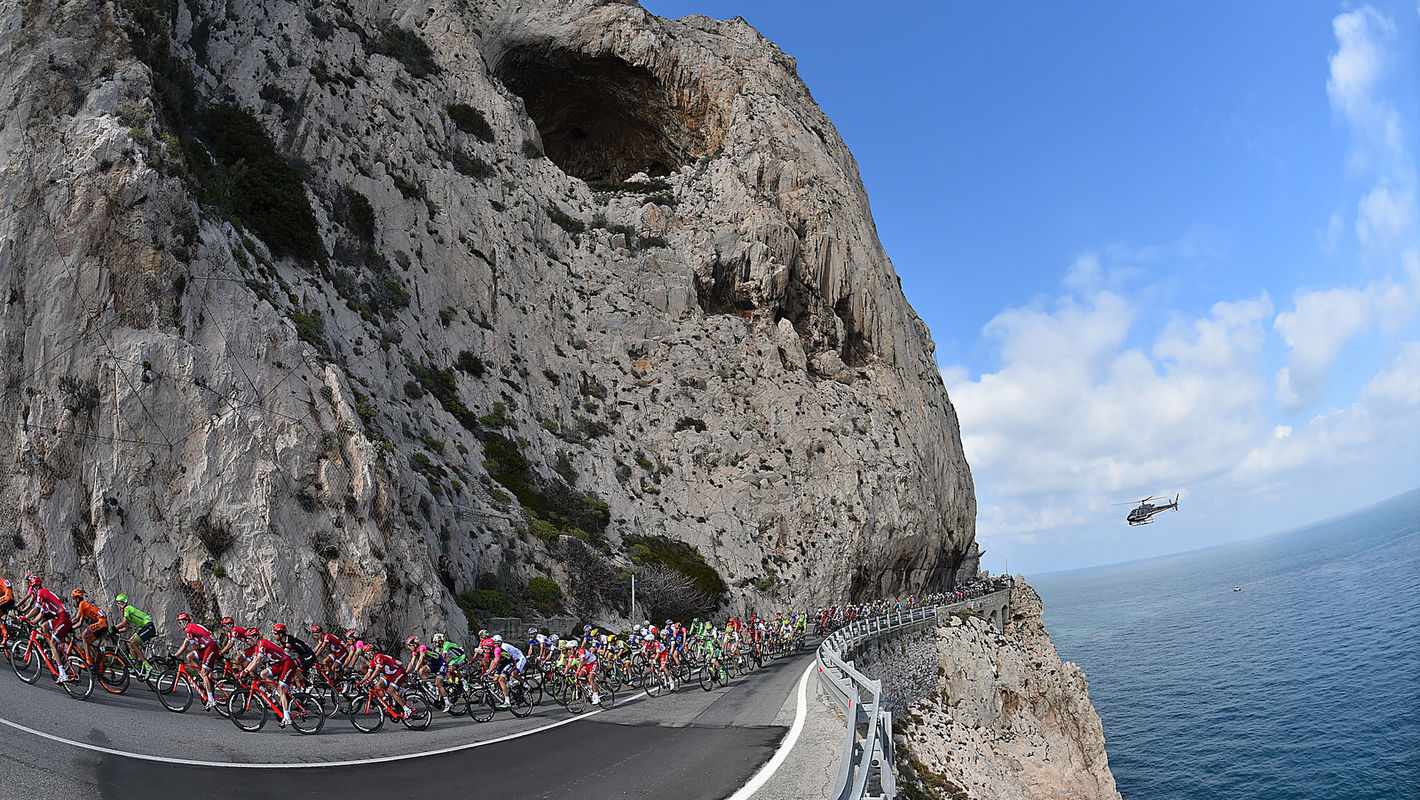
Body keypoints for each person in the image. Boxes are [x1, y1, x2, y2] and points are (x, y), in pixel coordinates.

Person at [238, 627, 297, 728]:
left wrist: (246, 671)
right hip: (280, 664)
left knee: (281, 688)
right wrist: (244, 671)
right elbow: (254, 661)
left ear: (255, 637)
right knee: (263, 674)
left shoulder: (263, 643)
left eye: (249, 639)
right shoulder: (257, 647)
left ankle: (287, 718)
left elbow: (258, 661)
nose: (247, 641)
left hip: (287, 663)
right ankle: (277, 691)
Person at [23, 576, 74, 682]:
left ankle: (62, 674)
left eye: (32, 588)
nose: (32, 591)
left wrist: (24, 617)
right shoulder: (45, 597)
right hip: (60, 617)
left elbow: (35, 609)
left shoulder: (41, 592)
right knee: (44, 626)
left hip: (63, 618)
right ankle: (54, 648)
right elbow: (41, 614)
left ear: (35, 587)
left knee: (53, 643)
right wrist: (31, 622)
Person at [171, 612, 220, 710]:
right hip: (206, 647)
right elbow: (184, 646)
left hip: (211, 647)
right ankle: (203, 675)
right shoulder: (190, 628)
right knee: (189, 657)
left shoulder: (189, 630)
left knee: (204, 672)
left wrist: (195, 644)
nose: (179, 625)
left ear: (184, 622)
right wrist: (175, 655)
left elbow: (195, 647)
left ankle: (211, 700)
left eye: (180, 623)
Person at [113, 594, 157, 679]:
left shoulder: (127, 608)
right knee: (131, 641)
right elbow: (126, 628)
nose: (117, 605)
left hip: (149, 627)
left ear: (122, 603)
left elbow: (123, 623)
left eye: (118, 603)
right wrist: (117, 631)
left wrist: (113, 629)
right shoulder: (127, 611)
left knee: (133, 644)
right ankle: (136, 665)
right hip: (145, 627)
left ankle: (147, 666)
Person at [69, 589, 109, 668]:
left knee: (84, 635)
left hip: (100, 622)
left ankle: (88, 661)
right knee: (88, 643)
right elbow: (80, 623)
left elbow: (76, 618)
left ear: (77, 599)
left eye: (73, 598)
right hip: (103, 624)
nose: (73, 601)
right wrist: (71, 627)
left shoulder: (82, 604)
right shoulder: (85, 607)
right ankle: (100, 665)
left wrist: (67, 625)